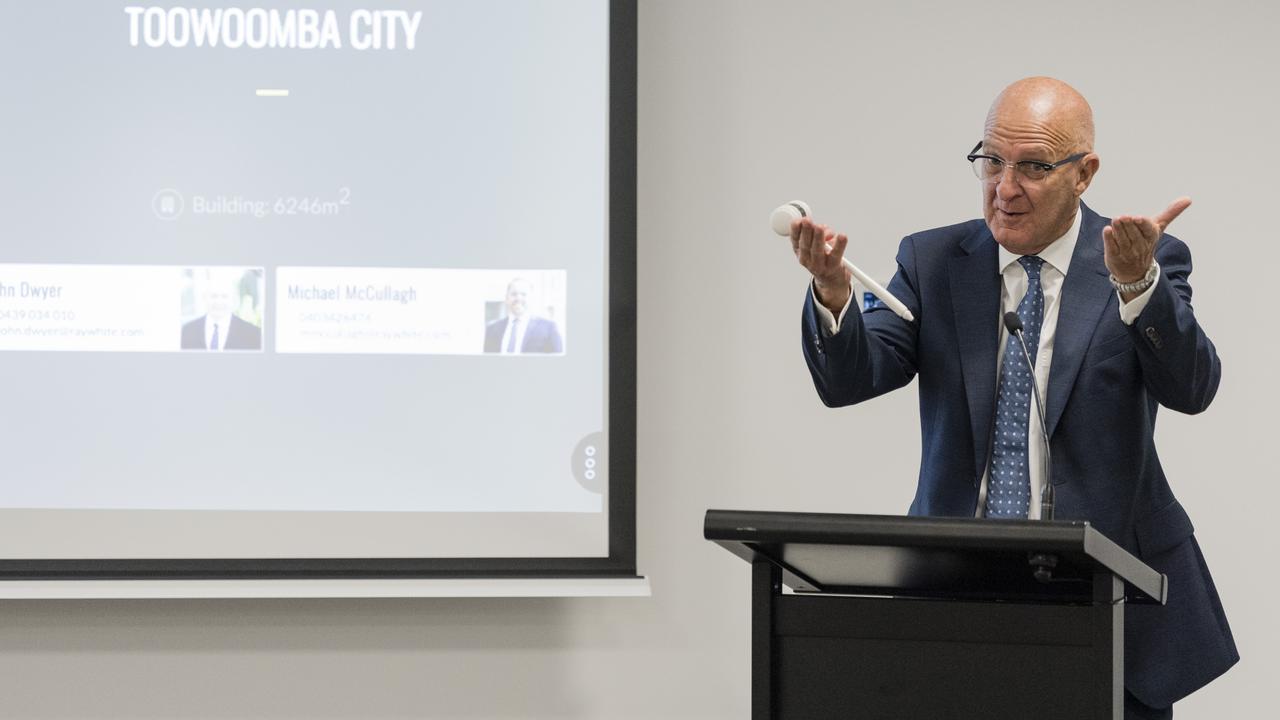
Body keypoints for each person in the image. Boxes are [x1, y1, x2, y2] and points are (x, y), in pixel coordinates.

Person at [793, 77, 1236, 718]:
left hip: (1106, 594)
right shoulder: (934, 260)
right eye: (991, 161)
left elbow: (1192, 388)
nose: (1004, 188)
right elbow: (851, 380)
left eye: (1031, 166)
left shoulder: (1143, 257)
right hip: (956, 593)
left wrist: (1139, 286)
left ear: (1083, 174)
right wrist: (834, 297)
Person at [180, 272, 262, 351]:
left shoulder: (253, 334)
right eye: (214, 296)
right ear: (204, 298)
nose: (219, 302)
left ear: (232, 300)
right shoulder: (187, 331)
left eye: (224, 296)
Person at [484, 277, 563, 354]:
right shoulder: (492, 329)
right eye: (514, 294)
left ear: (532, 298)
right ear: (506, 298)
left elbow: (558, 364)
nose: (518, 298)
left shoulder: (548, 328)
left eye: (523, 294)